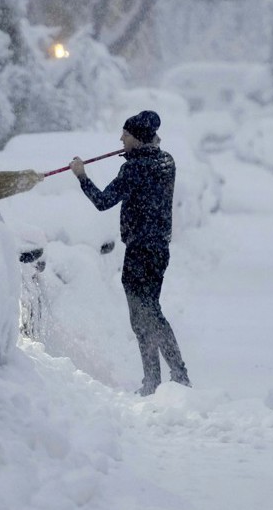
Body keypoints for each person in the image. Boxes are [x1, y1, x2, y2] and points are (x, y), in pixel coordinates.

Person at [71, 110, 190, 396]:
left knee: (143, 317)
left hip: (139, 252)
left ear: (137, 138)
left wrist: (81, 175)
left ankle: (160, 380)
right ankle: (170, 376)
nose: (120, 138)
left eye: (125, 134)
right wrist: (131, 155)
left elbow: (102, 201)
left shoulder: (136, 169)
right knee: (151, 311)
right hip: (159, 249)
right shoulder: (165, 161)